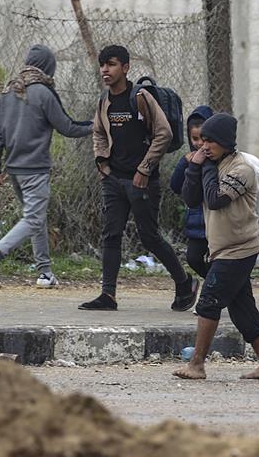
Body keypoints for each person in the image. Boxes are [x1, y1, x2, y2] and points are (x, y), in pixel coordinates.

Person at [80, 44, 198, 311]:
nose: (105, 70)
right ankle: (107, 295)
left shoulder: (141, 97)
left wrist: (145, 169)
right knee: (111, 235)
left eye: (110, 64)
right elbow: (98, 132)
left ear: (125, 67)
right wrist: (102, 162)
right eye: (102, 65)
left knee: (149, 237)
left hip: (142, 181)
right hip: (113, 180)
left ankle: (184, 283)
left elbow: (164, 133)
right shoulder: (104, 101)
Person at [173, 113, 259, 380]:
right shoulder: (212, 163)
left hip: (239, 249)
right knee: (242, 308)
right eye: (202, 140)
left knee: (208, 301)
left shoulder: (240, 168)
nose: (204, 146)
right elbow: (191, 197)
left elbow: (216, 199)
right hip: (221, 249)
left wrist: (205, 167)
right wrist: (195, 168)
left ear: (225, 142)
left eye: (210, 141)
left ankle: (196, 364)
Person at [0, 44, 92, 289]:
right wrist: (96, 125)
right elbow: (67, 127)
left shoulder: (9, 91)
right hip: (35, 169)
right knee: (34, 218)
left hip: (14, 169)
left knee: (36, 219)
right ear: (48, 68)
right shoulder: (43, 92)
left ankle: (45, 273)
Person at [170, 105, 214, 279]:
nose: (199, 144)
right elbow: (175, 186)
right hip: (197, 225)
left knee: (219, 262)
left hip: (218, 225)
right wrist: (186, 163)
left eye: (203, 138)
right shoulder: (189, 160)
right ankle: (217, 287)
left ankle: (218, 292)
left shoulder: (221, 161)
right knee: (193, 258)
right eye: (194, 139)